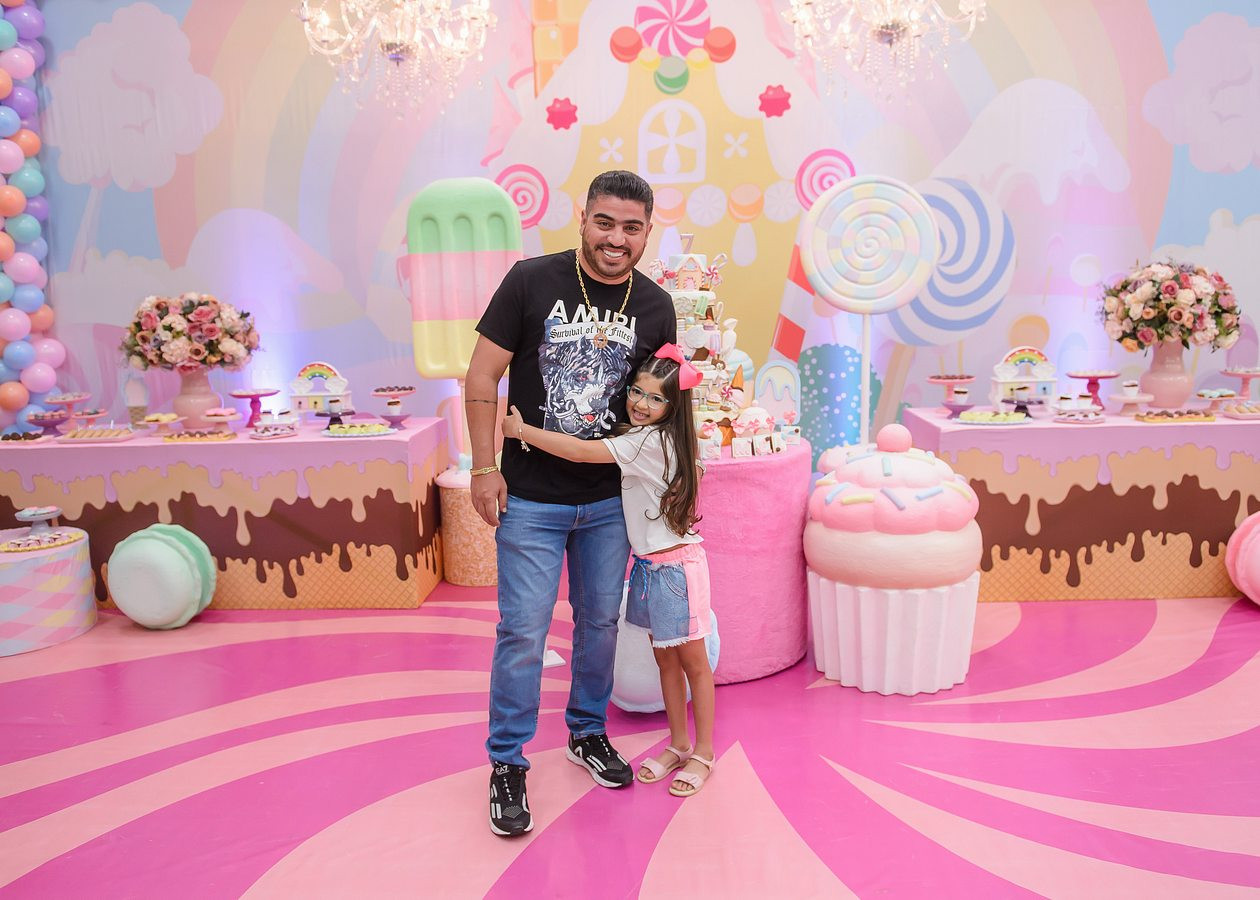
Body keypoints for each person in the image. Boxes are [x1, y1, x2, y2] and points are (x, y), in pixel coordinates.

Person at [464, 170, 676, 836]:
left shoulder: (656, 305)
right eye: (604, 222)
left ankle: (587, 732)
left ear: (647, 232)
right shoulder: (531, 280)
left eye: (632, 227)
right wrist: (482, 467)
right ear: (582, 219)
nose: (617, 238)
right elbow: (481, 375)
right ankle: (507, 761)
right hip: (530, 497)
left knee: (600, 625)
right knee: (523, 631)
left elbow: (661, 407)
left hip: (609, 501)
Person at [503, 345, 716, 800]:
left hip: (677, 571)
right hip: (650, 568)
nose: (640, 403)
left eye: (655, 398)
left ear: (673, 406)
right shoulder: (654, 437)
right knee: (666, 661)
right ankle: (679, 744)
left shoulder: (647, 443)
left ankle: (704, 752)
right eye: (636, 391)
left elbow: (580, 452)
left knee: (694, 665)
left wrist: (521, 430)